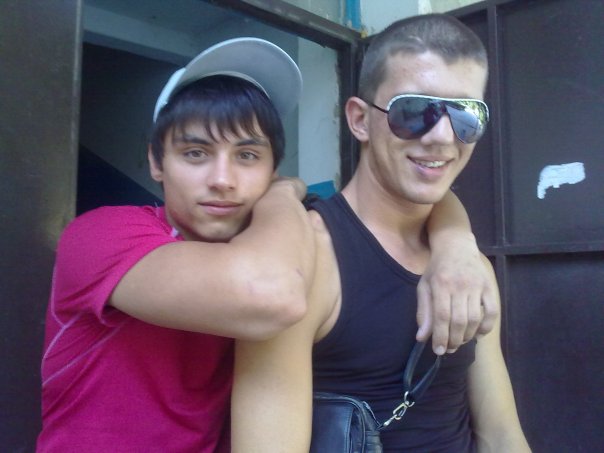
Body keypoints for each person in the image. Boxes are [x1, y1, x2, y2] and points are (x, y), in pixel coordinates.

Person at [37, 37, 494, 452]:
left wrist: (456, 243)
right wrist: (281, 193)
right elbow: (272, 294)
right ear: (156, 162)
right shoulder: (102, 235)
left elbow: (413, 195)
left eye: (247, 156)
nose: (222, 179)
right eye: (195, 153)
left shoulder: (270, 238)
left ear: (272, 166)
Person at [231, 15, 531, 453]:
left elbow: (500, 434)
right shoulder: (304, 259)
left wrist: (457, 241)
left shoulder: (469, 267)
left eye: (466, 115)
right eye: (415, 111)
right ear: (359, 120)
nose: (442, 137)